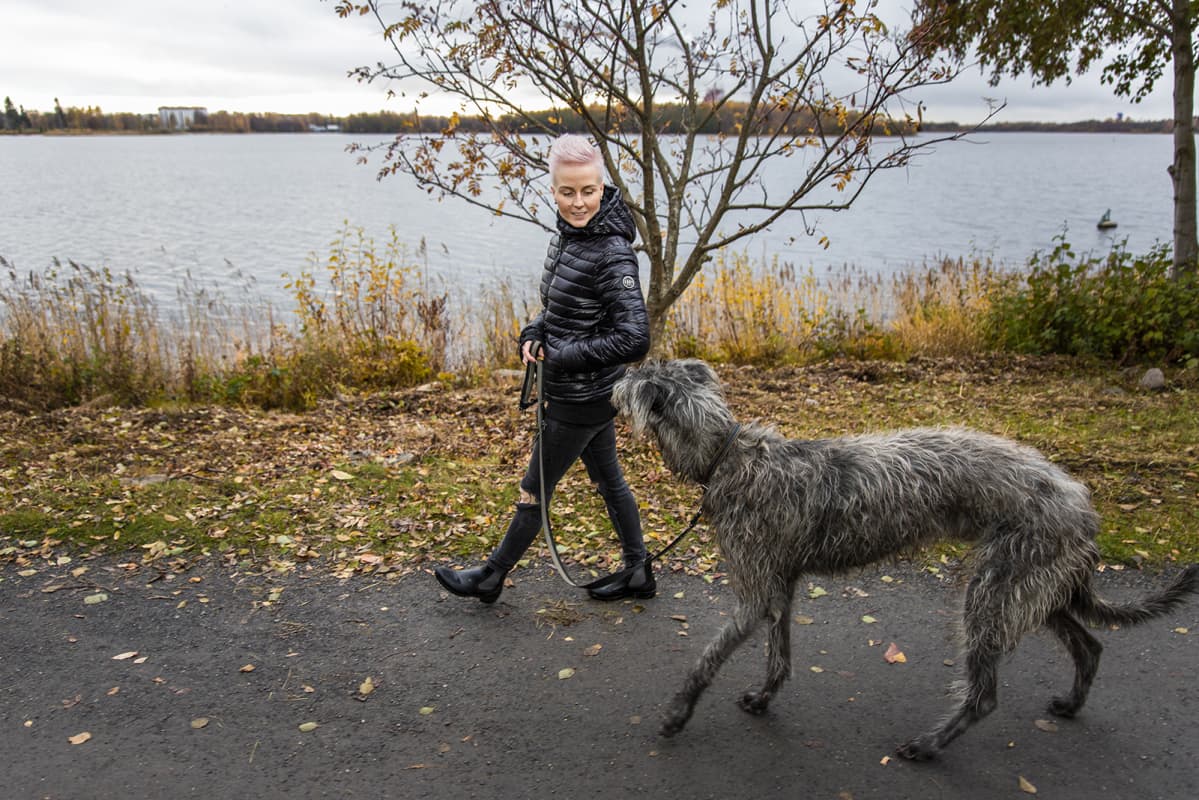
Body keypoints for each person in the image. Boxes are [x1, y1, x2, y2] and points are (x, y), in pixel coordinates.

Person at [434, 133, 652, 604]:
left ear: (603, 188)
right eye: (567, 191)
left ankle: (490, 577)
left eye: (588, 191)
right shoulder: (569, 239)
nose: (578, 202)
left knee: (534, 488)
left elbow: (635, 338)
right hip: (584, 393)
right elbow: (559, 309)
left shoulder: (612, 252)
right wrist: (533, 333)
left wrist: (561, 355)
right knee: (610, 480)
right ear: (552, 190)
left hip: (583, 398)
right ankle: (639, 570)